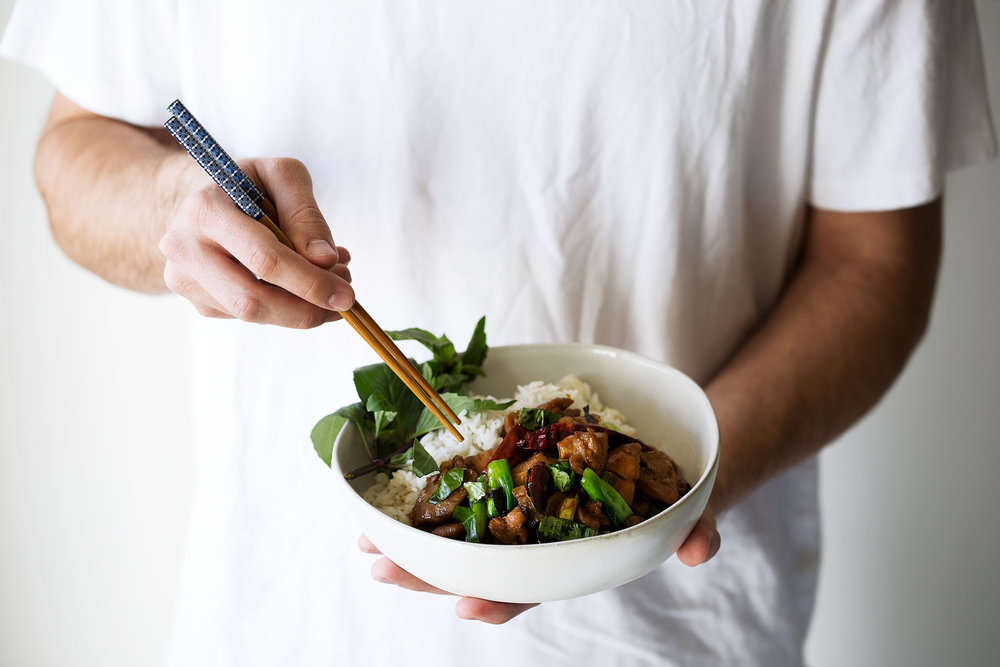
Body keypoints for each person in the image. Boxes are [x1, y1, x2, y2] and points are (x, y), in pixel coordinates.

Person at [2, 1, 995, 665]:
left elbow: (875, 259)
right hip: (289, 617)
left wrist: (672, 487)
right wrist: (176, 204)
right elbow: (75, 149)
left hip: (677, 625)